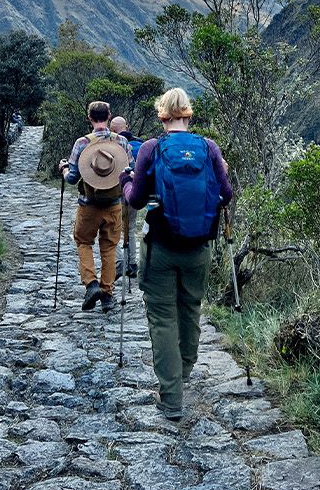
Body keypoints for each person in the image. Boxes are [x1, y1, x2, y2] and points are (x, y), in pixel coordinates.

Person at [120, 87, 232, 420]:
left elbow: (136, 199)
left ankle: (171, 398)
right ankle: (184, 370)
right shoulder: (208, 148)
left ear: (162, 115)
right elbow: (225, 195)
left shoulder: (152, 149)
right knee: (190, 308)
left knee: (162, 318)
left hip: (160, 248)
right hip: (199, 248)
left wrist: (127, 180)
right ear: (188, 114)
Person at [59, 101, 131, 313]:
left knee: (83, 241)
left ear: (89, 118)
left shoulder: (82, 143)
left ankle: (91, 284)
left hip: (88, 204)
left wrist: (63, 169)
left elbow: (72, 178)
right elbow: (130, 171)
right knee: (109, 247)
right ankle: (107, 296)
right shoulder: (122, 142)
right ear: (109, 116)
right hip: (114, 205)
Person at [110, 115, 143, 279]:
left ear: (112, 129)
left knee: (114, 227)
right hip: (134, 191)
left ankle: (120, 262)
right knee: (130, 227)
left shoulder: (111, 143)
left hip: (116, 191)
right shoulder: (141, 144)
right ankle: (132, 263)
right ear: (127, 126)